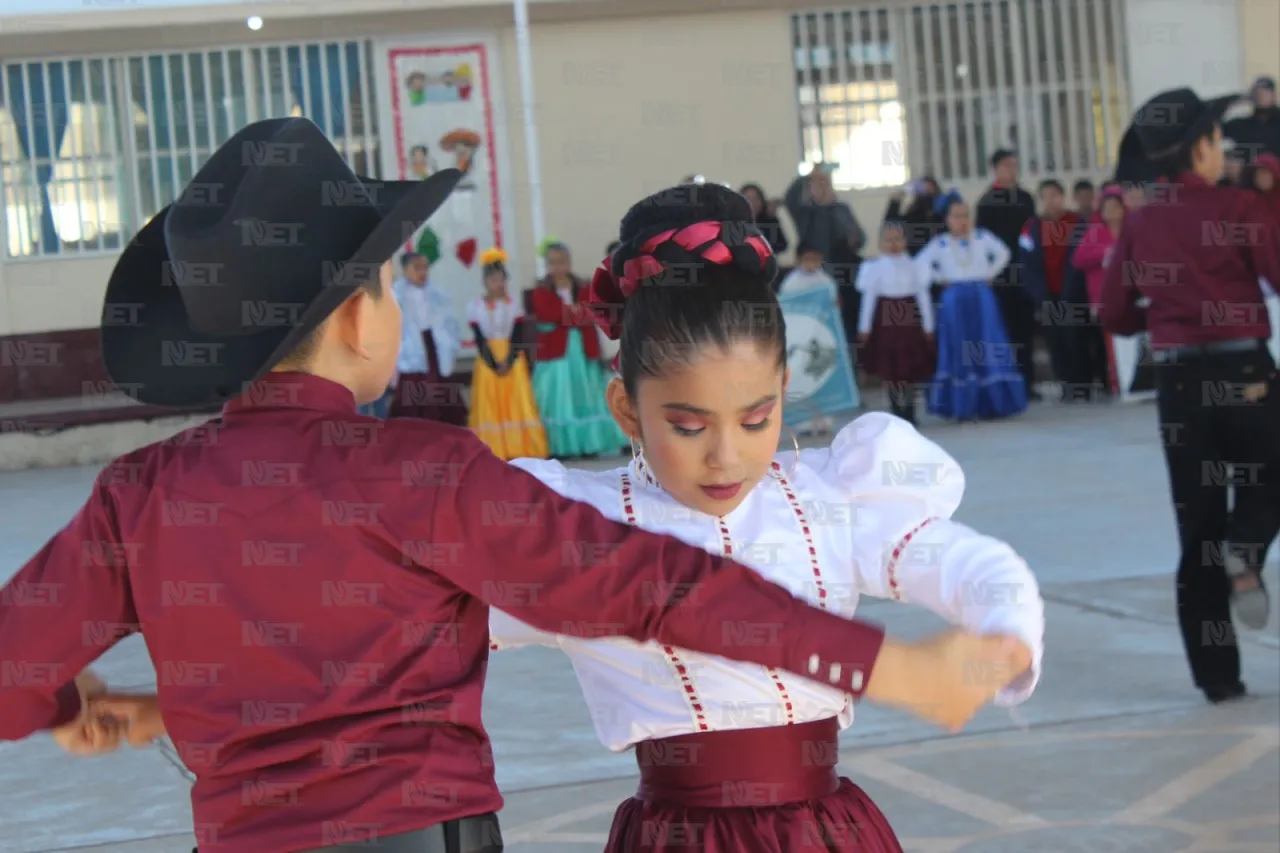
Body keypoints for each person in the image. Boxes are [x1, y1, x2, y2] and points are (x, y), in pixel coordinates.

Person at [8, 119, 1030, 852]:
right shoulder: (423, 474)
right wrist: (884, 669)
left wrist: (79, 698)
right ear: (364, 315)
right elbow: (654, 587)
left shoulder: (140, 497)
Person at [490, 184, 1042, 853]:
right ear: (627, 409)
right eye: (688, 425)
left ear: (783, 391)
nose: (727, 456)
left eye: (756, 419)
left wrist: (1002, 637)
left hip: (826, 833)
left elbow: (968, 564)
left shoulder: (826, 499)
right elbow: (441, 603)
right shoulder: (581, 524)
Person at [1100, 87, 1280, 705]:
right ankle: (1248, 547)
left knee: (1197, 524)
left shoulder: (1143, 220)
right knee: (1271, 474)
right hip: (1246, 370)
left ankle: (1218, 677)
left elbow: (1115, 313)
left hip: (1178, 383)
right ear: (1201, 146)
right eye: (1216, 139)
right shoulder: (1237, 205)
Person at [918, 191, 1028, 421]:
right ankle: (963, 406)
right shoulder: (940, 243)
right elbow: (920, 264)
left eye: (965, 215)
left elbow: (1004, 253)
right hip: (955, 299)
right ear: (947, 219)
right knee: (960, 346)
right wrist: (940, 278)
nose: (962, 220)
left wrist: (989, 273)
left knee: (988, 343)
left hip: (981, 296)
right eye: (957, 216)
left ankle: (994, 403)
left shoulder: (982, 237)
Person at [529, 240, 628, 458]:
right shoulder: (540, 291)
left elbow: (589, 311)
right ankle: (561, 447)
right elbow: (550, 313)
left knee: (587, 396)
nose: (558, 267)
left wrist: (569, 314)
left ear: (569, 262)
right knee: (559, 397)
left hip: (584, 353)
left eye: (562, 261)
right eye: (553, 262)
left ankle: (588, 444)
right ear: (547, 265)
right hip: (556, 356)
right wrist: (572, 313)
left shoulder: (583, 287)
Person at [466, 248, 548, 460]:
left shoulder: (513, 305)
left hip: (512, 359)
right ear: (485, 282)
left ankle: (522, 448)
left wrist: (508, 361)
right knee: (490, 404)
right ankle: (493, 450)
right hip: (488, 359)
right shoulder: (475, 306)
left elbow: (518, 335)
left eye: (502, 280)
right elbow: (479, 338)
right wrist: (494, 363)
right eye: (493, 280)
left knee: (516, 402)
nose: (499, 285)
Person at [856, 221, 936, 424]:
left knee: (910, 366)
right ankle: (895, 408)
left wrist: (928, 326)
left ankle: (910, 409)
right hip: (886, 319)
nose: (893, 244)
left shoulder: (916, 265)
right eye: (888, 240)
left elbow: (923, 297)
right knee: (890, 367)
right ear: (881, 243)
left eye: (898, 239)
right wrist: (864, 328)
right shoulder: (873, 268)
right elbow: (869, 299)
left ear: (905, 241)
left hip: (909, 318)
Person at [975, 149, 1039, 400]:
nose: (1012, 171)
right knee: (1005, 330)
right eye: (1006, 166)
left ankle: (1028, 382)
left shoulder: (1025, 198)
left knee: (1025, 329)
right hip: (999, 278)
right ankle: (1007, 385)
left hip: (1025, 273)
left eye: (1015, 165)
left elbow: (1032, 236)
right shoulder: (986, 202)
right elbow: (982, 243)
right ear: (995, 169)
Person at [1017, 179, 1086, 399]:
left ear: (1062, 196)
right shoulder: (1032, 227)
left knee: (1077, 338)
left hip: (1073, 293)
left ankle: (1082, 384)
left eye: (1054, 195)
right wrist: (1038, 293)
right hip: (1047, 296)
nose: (1051, 200)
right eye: (1046, 196)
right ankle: (1066, 384)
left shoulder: (1078, 223)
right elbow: (1025, 263)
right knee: (1056, 341)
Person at [390, 250, 468, 425]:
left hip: (434, 347)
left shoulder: (438, 296)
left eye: (425, 267)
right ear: (405, 270)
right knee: (413, 399)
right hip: (411, 352)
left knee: (441, 392)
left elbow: (451, 325)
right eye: (416, 267)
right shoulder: (395, 297)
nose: (422, 272)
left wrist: (448, 343)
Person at [777, 242, 841, 436]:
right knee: (802, 379)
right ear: (798, 261)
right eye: (807, 259)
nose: (811, 263)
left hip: (821, 337)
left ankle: (824, 421)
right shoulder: (790, 283)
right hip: (799, 339)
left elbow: (833, 306)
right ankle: (804, 423)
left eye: (815, 259)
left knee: (821, 377)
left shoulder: (826, 281)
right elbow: (786, 308)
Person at [1071, 184, 1129, 396]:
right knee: (1111, 341)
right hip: (1104, 295)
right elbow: (1078, 259)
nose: (1111, 212)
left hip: (1131, 294)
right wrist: (1105, 253)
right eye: (1107, 208)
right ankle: (1116, 381)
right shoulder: (1095, 232)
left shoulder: (1131, 229)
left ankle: (1136, 379)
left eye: (1115, 207)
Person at [1223, 76, 1280, 163]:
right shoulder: (1241, 126)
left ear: (1273, 95)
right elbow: (1214, 127)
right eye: (1257, 93)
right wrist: (1235, 100)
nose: (1260, 96)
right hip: (1248, 174)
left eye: (1264, 93)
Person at [883, 176, 944, 257]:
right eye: (923, 188)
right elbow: (892, 225)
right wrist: (896, 202)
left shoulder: (943, 213)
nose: (927, 191)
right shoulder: (913, 215)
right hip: (915, 259)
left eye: (930, 188)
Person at [740, 182, 789, 255]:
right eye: (748, 199)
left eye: (755, 199)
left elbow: (782, 245)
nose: (752, 203)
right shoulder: (733, 222)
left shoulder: (770, 220)